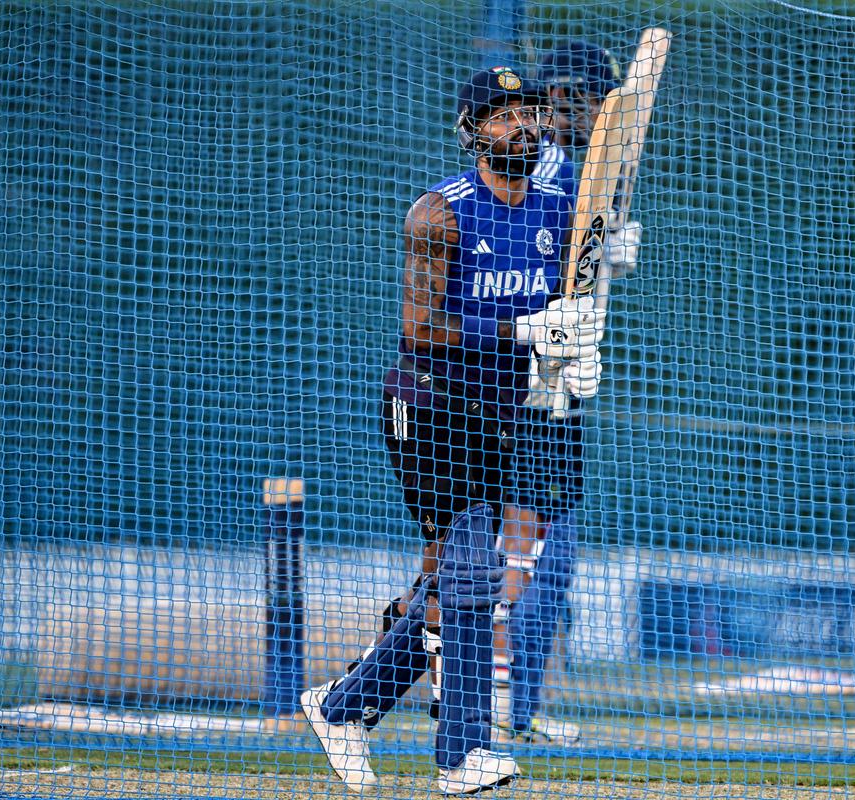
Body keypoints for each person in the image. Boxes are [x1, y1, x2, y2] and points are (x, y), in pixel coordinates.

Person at [300, 65, 605, 795]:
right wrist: (528, 329)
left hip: (501, 414)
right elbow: (422, 328)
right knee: (472, 565)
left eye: (528, 113)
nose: (521, 126)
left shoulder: (559, 210)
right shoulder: (438, 214)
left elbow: (571, 301)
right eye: (501, 117)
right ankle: (461, 755)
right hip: (429, 405)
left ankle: (344, 707)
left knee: (451, 582)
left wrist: (579, 338)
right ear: (472, 132)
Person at [490, 40, 641, 746]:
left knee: (549, 551)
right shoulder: (544, 166)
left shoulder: (571, 172)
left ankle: (514, 704)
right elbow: (520, 261)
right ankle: (488, 696)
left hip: (548, 373)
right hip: (522, 378)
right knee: (521, 547)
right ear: (573, 100)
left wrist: (603, 252)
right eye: (599, 104)